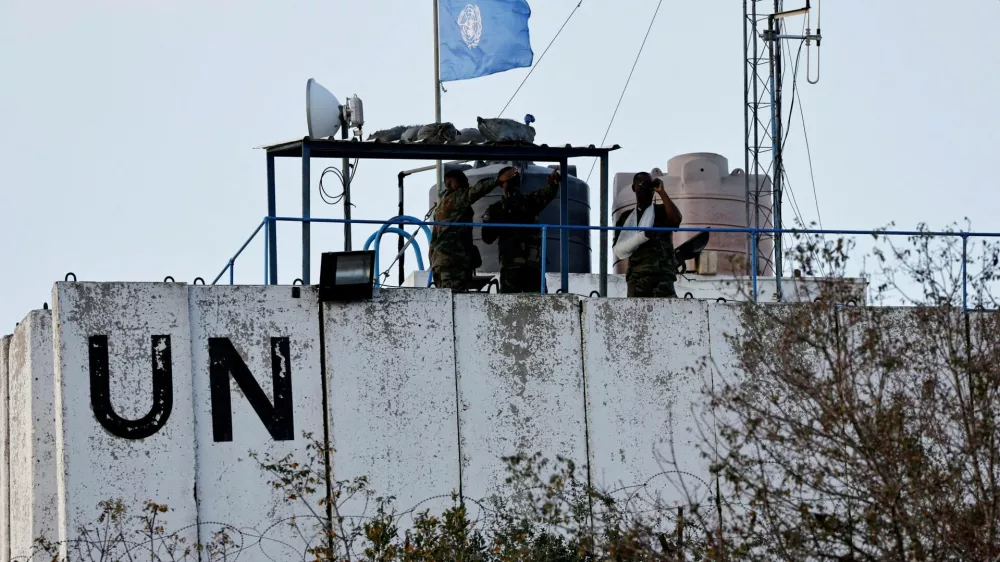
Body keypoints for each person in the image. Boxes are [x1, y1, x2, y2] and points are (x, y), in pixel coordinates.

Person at [429, 168, 518, 291]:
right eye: (463, 183)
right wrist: (496, 181)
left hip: (440, 262)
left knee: (445, 301)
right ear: (452, 183)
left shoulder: (441, 205)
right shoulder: (455, 198)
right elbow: (475, 192)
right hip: (452, 262)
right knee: (454, 300)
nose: (467, 186)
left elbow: (433, 240)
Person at [481, 166, 560, 294]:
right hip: (522, 265)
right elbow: (487, 237)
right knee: (536, 306)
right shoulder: (527, 202)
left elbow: (487, 238)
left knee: (516, 306)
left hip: (520, 265)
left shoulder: (498, 208)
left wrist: (553, 183)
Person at [613, 172, 683, 298]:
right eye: (643, 184)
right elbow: (619, 250)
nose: (647, 188)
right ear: (634, 188)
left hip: (663, 277)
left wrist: (662, 192)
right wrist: (643, 236)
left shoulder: (661, 211)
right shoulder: (625, 218)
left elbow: (676, 220)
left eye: (650, 185)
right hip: (637, 278)